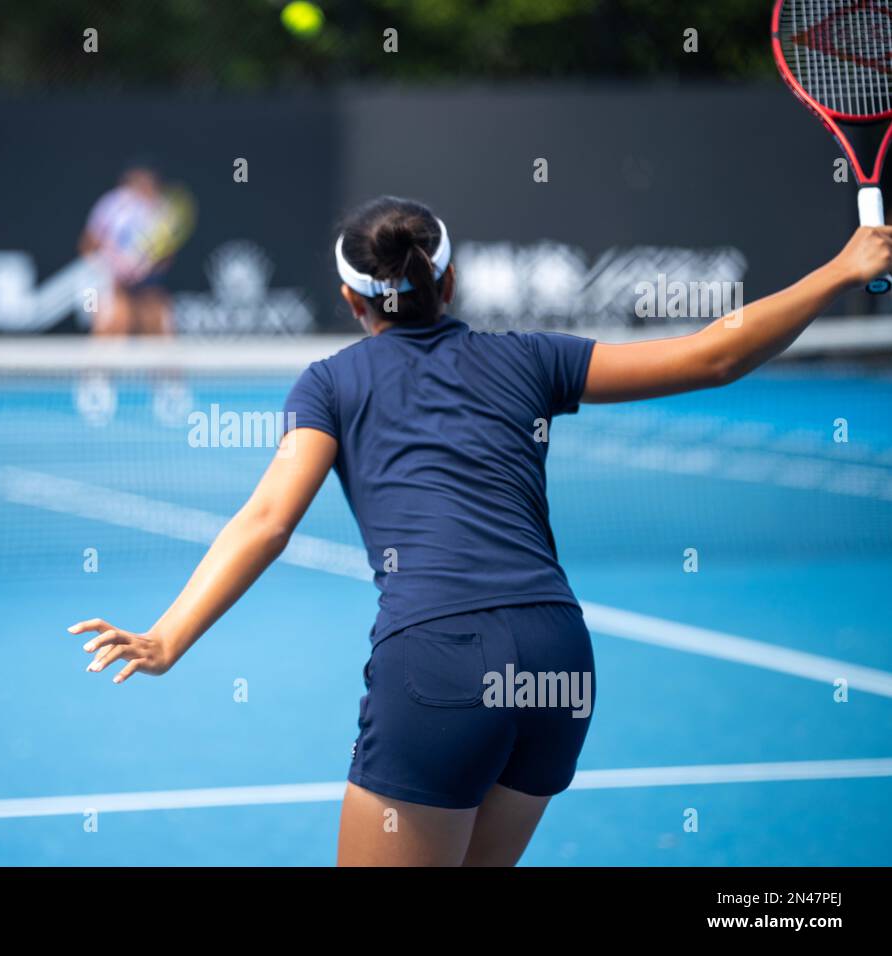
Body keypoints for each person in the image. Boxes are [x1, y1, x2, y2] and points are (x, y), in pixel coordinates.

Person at [67, 196, 892, 866]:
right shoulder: (530, 358)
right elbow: (715, 354)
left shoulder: (329, 384)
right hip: (558, 661)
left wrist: (170, 635)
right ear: (449, 281)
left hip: (439, 664)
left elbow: (269, 520)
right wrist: (843, 269)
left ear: (352, 299)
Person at [78, 166, 180, 337]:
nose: (143, 188)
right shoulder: (110, 205)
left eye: (148, 183)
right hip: (105, 283)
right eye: (137, 182)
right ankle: (96, 363)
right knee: (115, 320)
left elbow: (167, 257)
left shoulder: (163, 211)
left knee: (159, 323)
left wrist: (144, 271)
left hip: (146, 285)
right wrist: (111, 272)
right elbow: (86, 246)